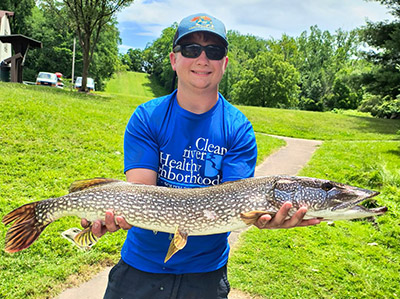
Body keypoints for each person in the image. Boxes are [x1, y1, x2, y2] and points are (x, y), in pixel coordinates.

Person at [83, 13, 321, 299]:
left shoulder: (238, 128)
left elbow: (240, 202)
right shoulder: (148, 117)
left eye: (214, 51)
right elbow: (141, 192)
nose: (202, 59)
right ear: (174, 59)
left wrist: (265, 217)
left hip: (205, 277)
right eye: (191, 49)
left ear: (224, 63)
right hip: (139, 269)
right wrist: (111, 215)